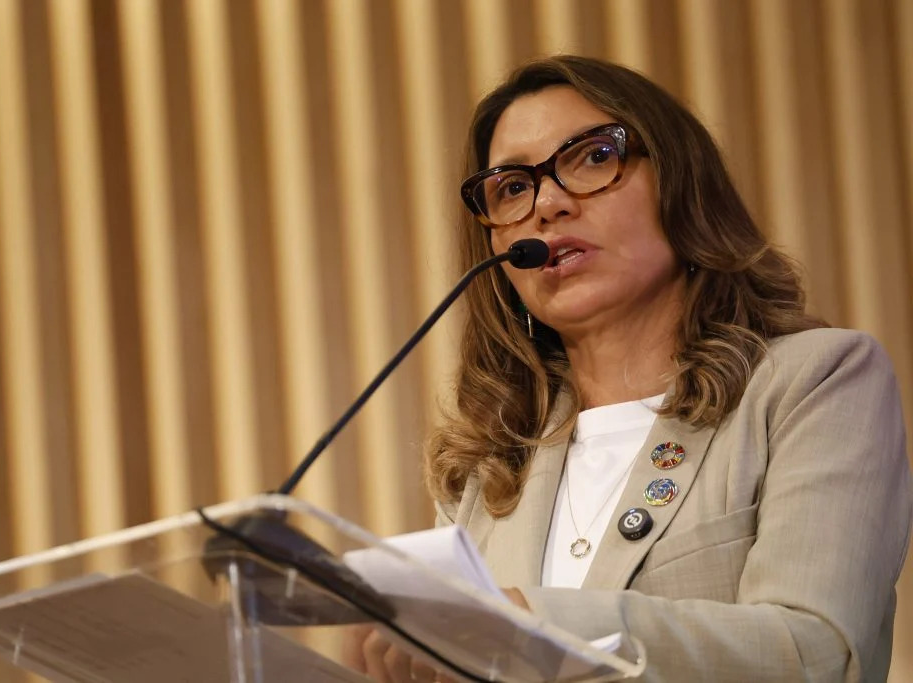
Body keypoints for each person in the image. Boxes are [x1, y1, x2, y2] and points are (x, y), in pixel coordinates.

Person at [345, 55, 912, 682]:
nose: (547, 204)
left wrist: (534, 626)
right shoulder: (489, 468)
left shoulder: (815, 382)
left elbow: (815, 653)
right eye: (512, 189)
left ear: (679, 185)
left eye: (592, 157)